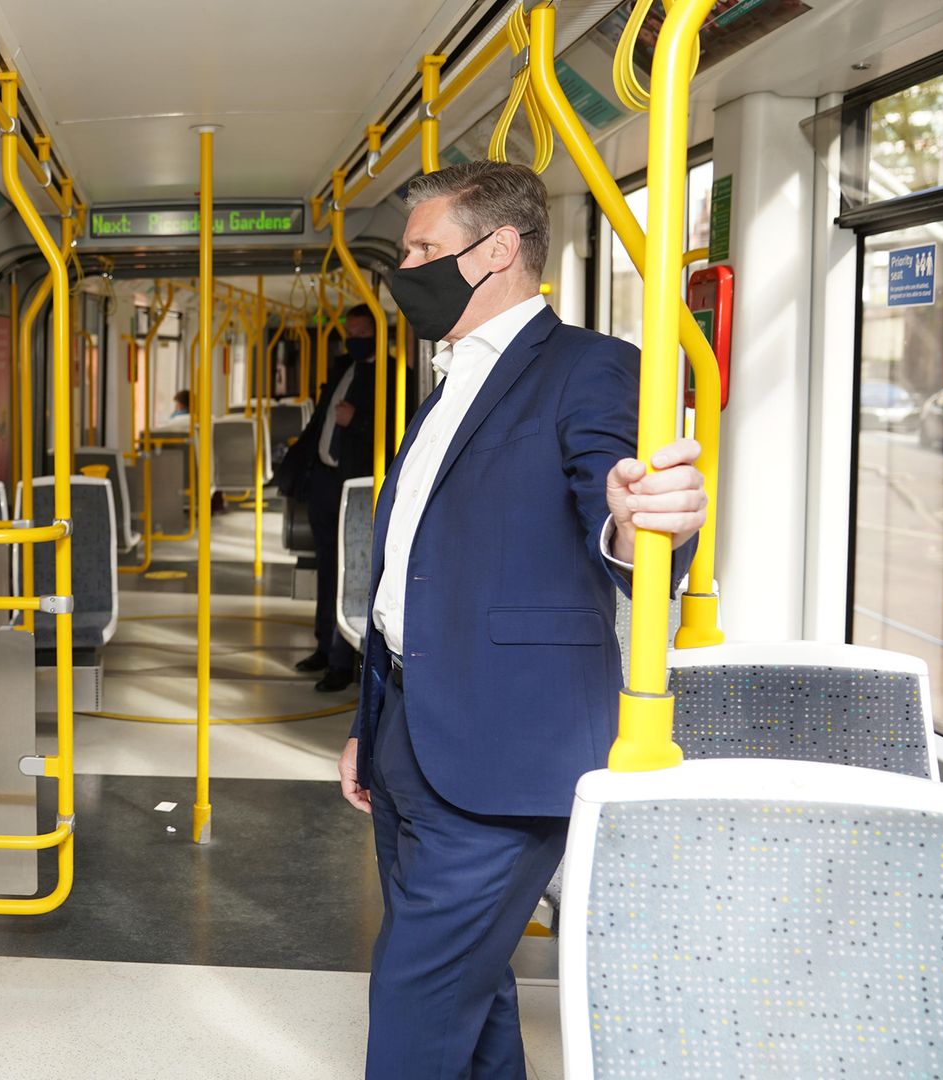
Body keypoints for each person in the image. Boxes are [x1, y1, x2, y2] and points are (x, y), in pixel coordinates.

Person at [336, 161, 706, 1080]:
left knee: (415, 995)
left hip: (505, 747)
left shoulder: (589, 369)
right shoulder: (449, 382)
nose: (407, 267)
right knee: (473, 985)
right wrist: (367, 726)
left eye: (423, 248)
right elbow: (412, 573)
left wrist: (634, 521)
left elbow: (615, 506)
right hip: (410, 734)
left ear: (494, 250)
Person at [282, 304, 379, 685]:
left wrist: (358, 421)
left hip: (356, 483)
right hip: (324, 478)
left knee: (352, 568)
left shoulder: (394, 374)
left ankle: (343, 660)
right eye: (349, 334)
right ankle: (324, 645)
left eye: (362, 334)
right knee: (327, 566)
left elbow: (395, 432)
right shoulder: (341, 369)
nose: (353, 341)